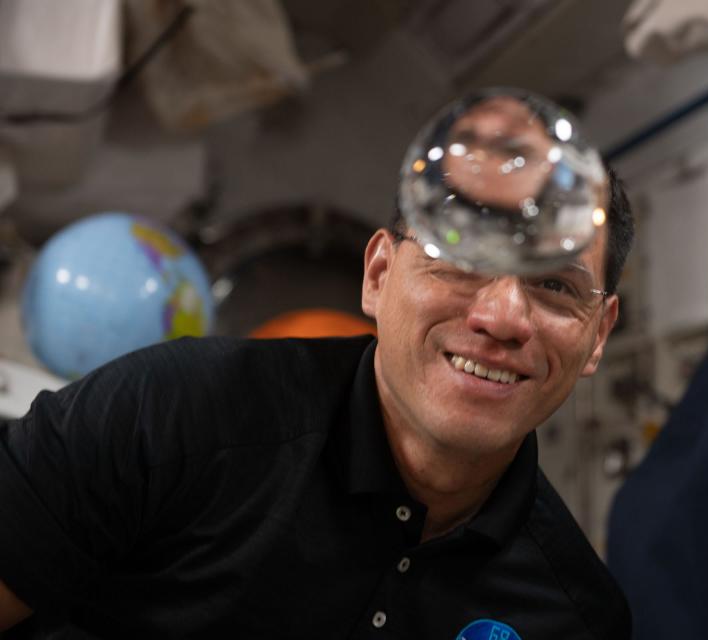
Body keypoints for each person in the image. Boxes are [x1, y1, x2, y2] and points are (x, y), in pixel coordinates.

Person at [0, 168, 635, 639]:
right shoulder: (167, 418)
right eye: (463, 260)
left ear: (597, 334)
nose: (502, 317)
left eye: (554, 285)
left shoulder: (575, 615)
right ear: (379, 276)